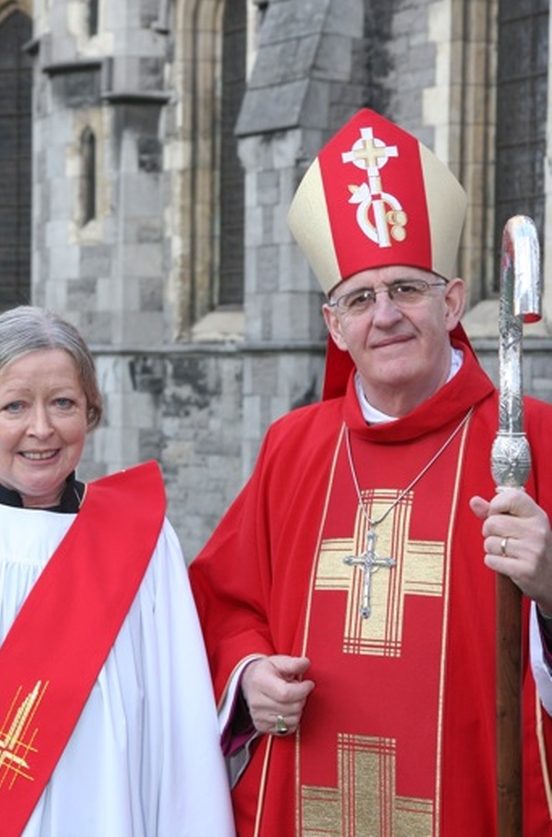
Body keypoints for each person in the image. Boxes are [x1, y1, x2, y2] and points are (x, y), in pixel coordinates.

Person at [189, 108, 552, 835]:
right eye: (361, 298)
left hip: (475, 806)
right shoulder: (294, 446)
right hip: (305, 799)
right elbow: (226, 604)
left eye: (407, 290)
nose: (384, 315)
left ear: (451, 302)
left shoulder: (529, 439)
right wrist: (248, 676)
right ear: (334, 326)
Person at [0, 305, 235, 837]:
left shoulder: (145, 541)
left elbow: (182, 737)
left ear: (90, 412)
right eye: (15, 405)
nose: (41, 429)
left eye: (62, 403)